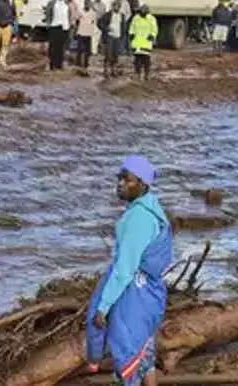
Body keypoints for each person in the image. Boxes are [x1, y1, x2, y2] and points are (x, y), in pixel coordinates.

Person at [86, 155, 172, 386]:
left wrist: (103, 307)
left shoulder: (138, 219)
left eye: (127, 179)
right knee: (145, 354)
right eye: (119, 178)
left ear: (143, 184)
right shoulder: (152, 209)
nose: (120, 183)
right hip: (149, 293)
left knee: (127, 355)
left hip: (134, 296)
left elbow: (125, 269)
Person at [129, 5, 157, 81]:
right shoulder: (136, 18)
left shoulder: (151, 18)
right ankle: (138, 74)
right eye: (141, 10)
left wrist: (152, 35)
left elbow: (154, 29)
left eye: (144, 10)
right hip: (137, 42)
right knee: (137, 59)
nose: (142, 12)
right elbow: (132, 27)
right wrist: (131, 34)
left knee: (146, 60)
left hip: (146, 42)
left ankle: (146, 74)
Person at [98, 0, 124, 78]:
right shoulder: (107, 15)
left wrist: (122, 36)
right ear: (112, 6)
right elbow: (99, 23)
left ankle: (113, 70)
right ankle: (106, 71)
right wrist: (106, 28)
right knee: (108, 55)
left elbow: (123, 26)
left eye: (118, 6)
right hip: (109, 37)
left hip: (117, 37)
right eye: (115, 5)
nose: (116, 7)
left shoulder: (122, 15)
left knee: (115, 55)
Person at [44, 0, 70, 70]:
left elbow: (69, 14)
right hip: (54, 27)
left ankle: (59, 64)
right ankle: (51, 64)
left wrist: (69, 24)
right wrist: (48, 24)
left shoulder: (66, 3)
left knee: (61, 47)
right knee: (52, 47)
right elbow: (48, 14)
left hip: (64, 27)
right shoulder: (52, 2)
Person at [76, 0, 97, 69]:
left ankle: (85, 64)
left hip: (88, 33)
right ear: (84, 4)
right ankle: (78, 64)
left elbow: (93, 22)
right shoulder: (80, 11)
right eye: (86, 3)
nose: (87, 5)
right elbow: (77, 21)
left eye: (89, 3)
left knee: (87, 51)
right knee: (80, 49)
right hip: (81, 32)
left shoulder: (93, 13)